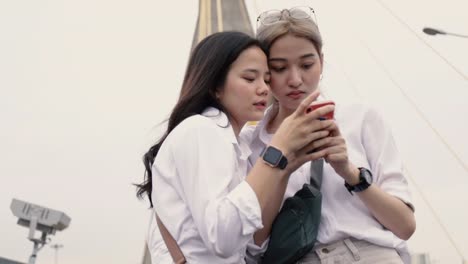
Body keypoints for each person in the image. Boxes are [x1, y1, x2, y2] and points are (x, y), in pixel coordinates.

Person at [136, 31, 336, 264]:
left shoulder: (233, 145)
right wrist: (277, 150)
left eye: (266, 79)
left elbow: (251, 246)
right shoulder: (202, 130)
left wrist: (284, 167)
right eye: (250, 79)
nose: (263, 89)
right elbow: (222, 237)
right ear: (215, 87)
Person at [242, 7, 416, 264]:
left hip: (370, 255)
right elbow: (255, 246)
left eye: (307, 64)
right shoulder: (250, 143)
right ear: (265, 72)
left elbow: (404, 226)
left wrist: (350, 172)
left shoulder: (361, 119)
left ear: (321, 62)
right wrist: (281, 166)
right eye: (279, 67)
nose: (295, 79)